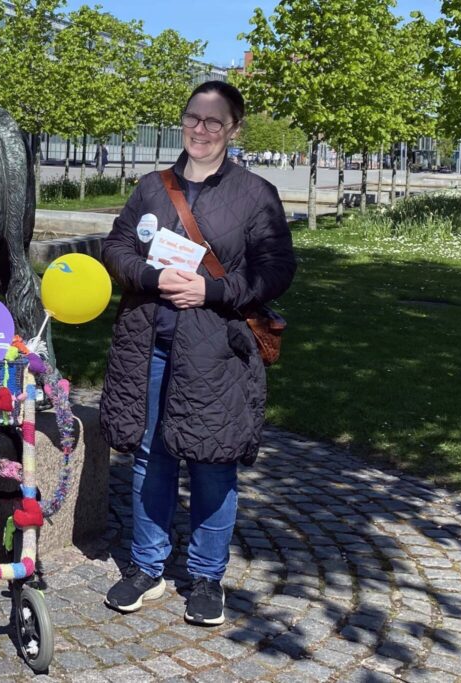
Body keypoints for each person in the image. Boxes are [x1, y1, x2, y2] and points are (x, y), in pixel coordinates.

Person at [99, 81, 296, 626]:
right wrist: (150, 277)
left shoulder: (256, 194)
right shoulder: (152, 188)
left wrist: (212, 290)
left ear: (234, 129)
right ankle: (147, 567)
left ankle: (208, 577)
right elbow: (115, 247)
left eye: (214, 122)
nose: (201, 130)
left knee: (212, 461)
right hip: (151, 346)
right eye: (193, 118)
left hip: (217, 351)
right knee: (150, 458)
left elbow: (277, 269)